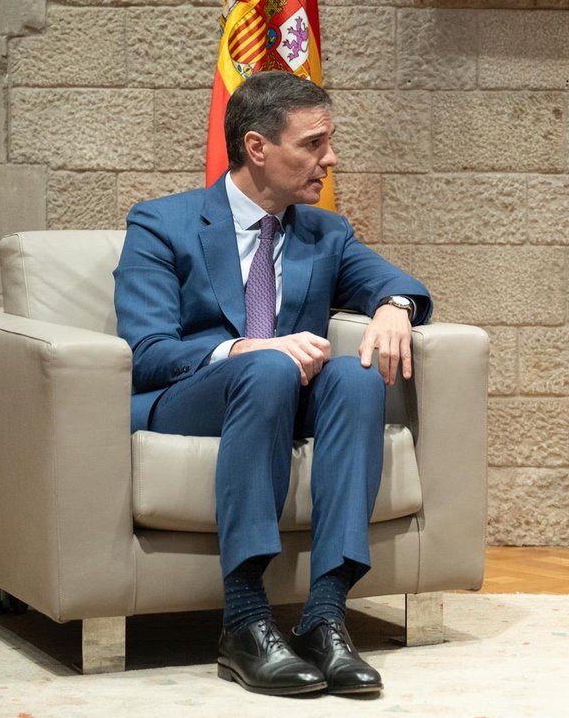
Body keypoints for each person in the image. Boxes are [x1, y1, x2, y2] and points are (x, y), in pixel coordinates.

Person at [113, 70, 432, 697]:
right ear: (258, 148)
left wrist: (394, 306)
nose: (330, 159)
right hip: (192, 398)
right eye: (313, 144)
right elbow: (147, 353)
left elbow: (395, 281)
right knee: (267, 364)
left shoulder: (325, 232)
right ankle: (245, 618)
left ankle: (325, 616)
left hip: (285, 396)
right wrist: (248, 348)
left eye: (329, 141)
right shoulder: (162, 224)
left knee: (357, 376)